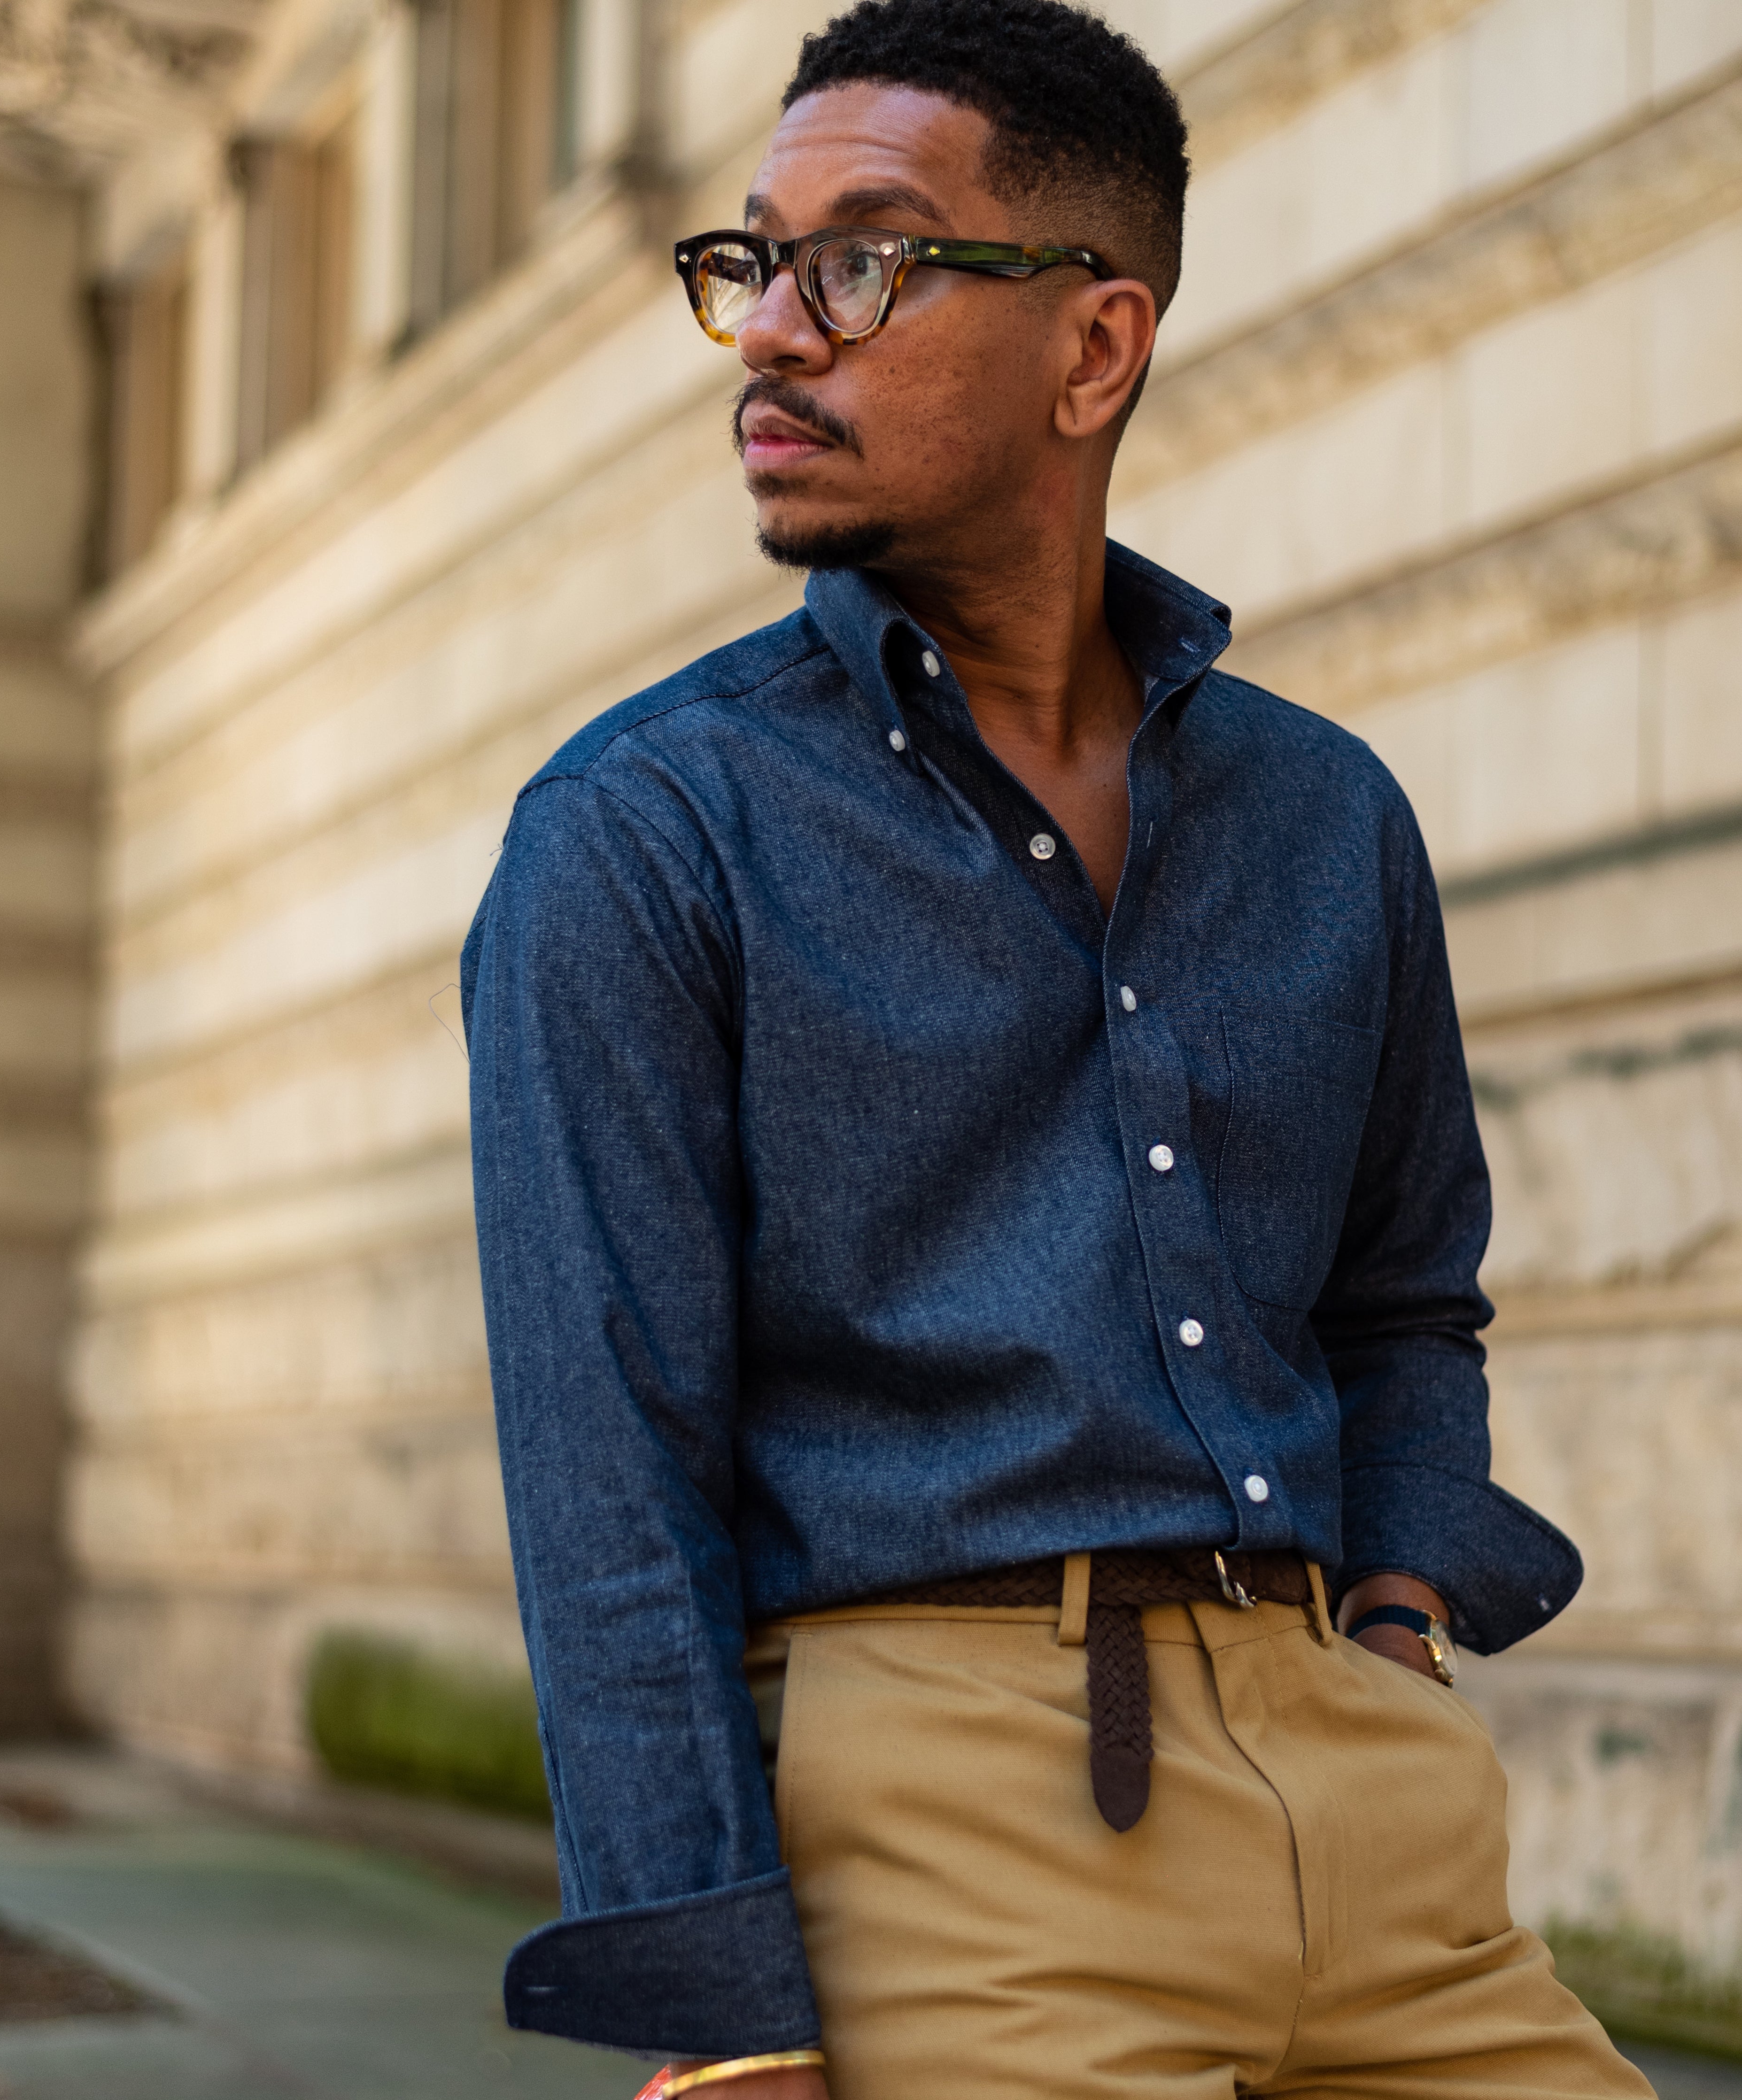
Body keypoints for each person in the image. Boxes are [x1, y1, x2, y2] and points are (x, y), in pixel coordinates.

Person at [463, 3, 1656, 2095]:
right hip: (944, 1831)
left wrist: (1388, 1625)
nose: (768, 333)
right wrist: (726, 2031)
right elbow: (606, 1476)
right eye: (753, 263)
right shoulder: (648, 834)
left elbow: (1400, 1293)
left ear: (1093, 348)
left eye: (865, 258)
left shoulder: (1322, 814)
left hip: (1373, 1820)